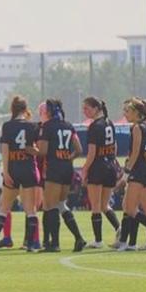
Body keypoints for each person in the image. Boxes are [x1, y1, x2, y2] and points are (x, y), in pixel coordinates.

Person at [0, 96, 41, 253]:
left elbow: (5, 150)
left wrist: (6, 171)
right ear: (25, 109)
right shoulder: (33, 126)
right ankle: (30, 244)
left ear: (12, 109)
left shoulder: (8, 126)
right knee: (30, 209)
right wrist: (33, 151)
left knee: (4, 206)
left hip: (14, 168)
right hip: (29, 169)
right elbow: (38, 150)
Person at [113, 97, 146, 251]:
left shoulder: (137, 128)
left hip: (138, 170)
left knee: (130, 209)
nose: (125, 114)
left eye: (128, 111)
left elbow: (135, 152)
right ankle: (142, 242)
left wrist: (126, 173)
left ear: (137, 113)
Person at [36, 99, 86, 252]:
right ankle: (77, 238)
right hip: (67, 169)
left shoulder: (47, 126)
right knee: (59, 204)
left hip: (54, 168)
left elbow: (43, 151)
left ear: (48, 112)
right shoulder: (68, 125)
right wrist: (68, 158)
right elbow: (79, 150)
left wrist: (30, 150)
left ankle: (55, 243)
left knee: (51, 206)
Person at [79, 97, 121, 248]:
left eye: (87, 108)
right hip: (110, 166)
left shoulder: (94, 126)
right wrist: (113, 160)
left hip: (98, 167)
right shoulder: (109, 123)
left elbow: (92, 153)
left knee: (96, 206)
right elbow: (114, 146)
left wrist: (84, 170)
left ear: (96, 108)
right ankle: (120, 229)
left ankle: (98, 240)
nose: (84, 111)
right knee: (104, 205)